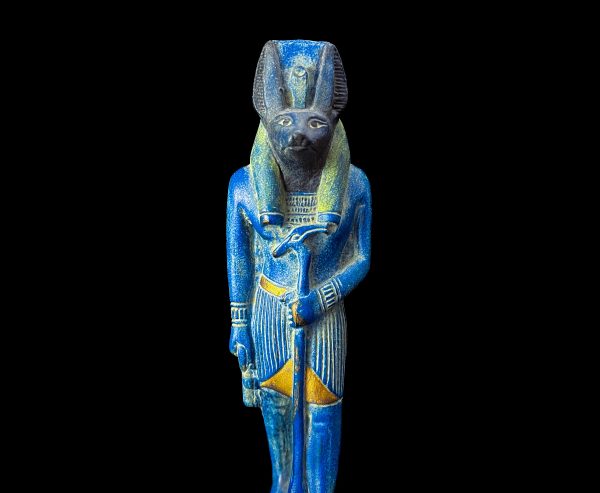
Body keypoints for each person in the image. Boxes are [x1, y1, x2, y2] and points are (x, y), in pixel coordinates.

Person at [226, 39, 371, 493]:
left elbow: (362, 257)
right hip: (269, 312)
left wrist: (320, 299)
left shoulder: (354, 184)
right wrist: (239, 324)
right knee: (282, 459)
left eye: (314, 122)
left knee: (322, 434)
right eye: (285, 122)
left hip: (323, 319)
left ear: (333, 121)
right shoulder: (244, 186)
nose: (298, 136)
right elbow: (239, 259)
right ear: (267, 121)